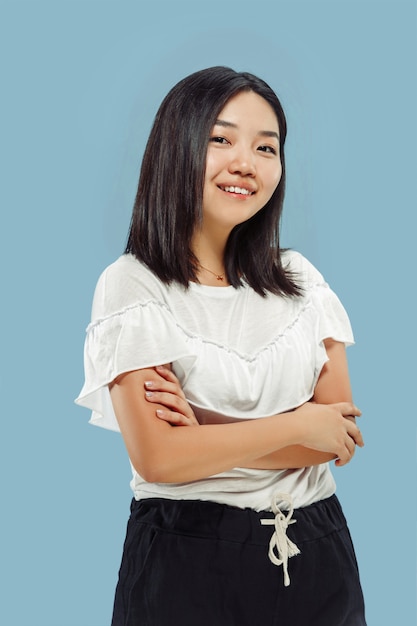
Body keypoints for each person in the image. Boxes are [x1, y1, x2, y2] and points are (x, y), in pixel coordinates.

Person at [76, 66, 367, 626]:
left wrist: (204, 428)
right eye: (221, 138)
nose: (245, 163)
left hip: (317, 551)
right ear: (176, 146)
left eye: (267, 147)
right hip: (188, 557)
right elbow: (159, 458)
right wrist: (297, 423)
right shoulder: (134, 284)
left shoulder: (301, 280)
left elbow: (337, 436)